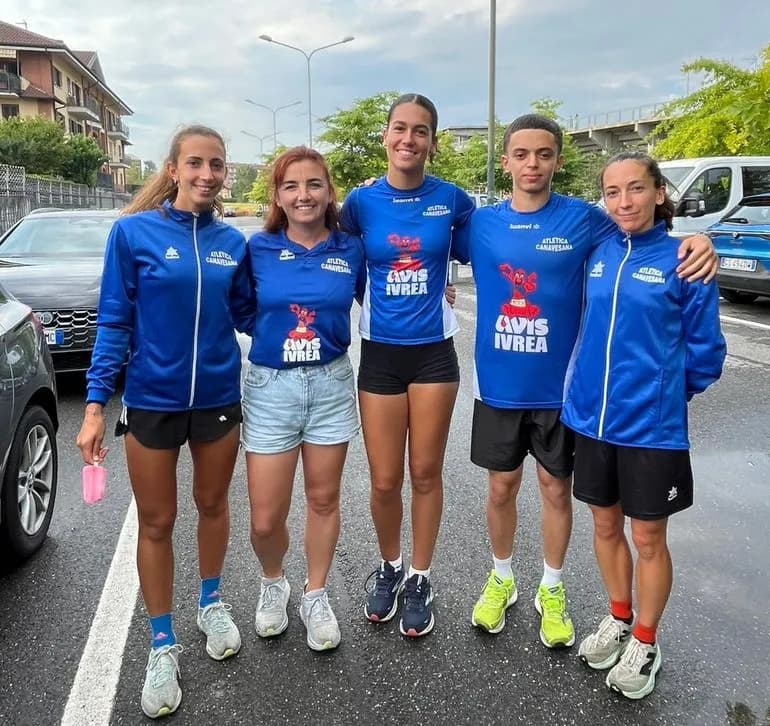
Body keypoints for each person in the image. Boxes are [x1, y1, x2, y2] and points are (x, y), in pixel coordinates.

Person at [456, 115, 718, 648]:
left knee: (556, 489)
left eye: (544, 154)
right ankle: (501, 578)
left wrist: (700, 238)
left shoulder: (585, 220)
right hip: (499, 387)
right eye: (521, 154)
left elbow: (645, 235)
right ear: (505, 161)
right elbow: (412, 245)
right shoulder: (479, 223)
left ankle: (552, 588)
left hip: (564, 394)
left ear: (557, 160)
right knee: (500, 487)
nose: (532, 164)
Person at [76, 125, 251, 719]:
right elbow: (114, 320)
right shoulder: (133, 233)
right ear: (173, 169)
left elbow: (252, 313)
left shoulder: (231, 242)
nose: (207, 174)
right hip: (152, 399)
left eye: (217, 165)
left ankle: (211, 604)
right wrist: (94, 406)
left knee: (213, 504)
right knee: (157, 521)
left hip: (218, 397)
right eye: (195, 163)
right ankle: (160, 642)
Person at [561, 151, 725, 699]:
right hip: (591, 419)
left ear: (659, 193)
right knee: (605, 526)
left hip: (652, 428)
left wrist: (668, 394)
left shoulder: (684, 258)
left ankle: (647, 641)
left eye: (635, 188)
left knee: (648, 537)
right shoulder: (598, 250)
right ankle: (618, 617)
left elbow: (706, 351)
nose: (624, 201)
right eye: (612, 192)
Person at [340, 93, 474, 637]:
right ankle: (390, 565)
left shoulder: (453, 199)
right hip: (380, 354)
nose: (409, 139)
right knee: (383, 478)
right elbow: (339, 260)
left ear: (433, 143)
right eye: (400, 128)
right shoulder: (359, 201)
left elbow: (490, 246)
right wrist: (363, 303)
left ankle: (421, 575)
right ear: (385, 136)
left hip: (434, 354)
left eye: (420, 131)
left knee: (424, 472)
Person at [241, 147, 365, 651]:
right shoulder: (258, 248)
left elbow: (377, 296)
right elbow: (241, 309)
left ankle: (316, 593)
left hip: (331, 385)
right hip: (271, 388)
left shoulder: (351, 249)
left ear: (330, 192)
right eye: (291, 186)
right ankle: (274, 581)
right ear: (277, 195)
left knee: (323, 499)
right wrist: (279, 335)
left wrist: (440, 295)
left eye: (314, 184)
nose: (303, 195)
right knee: (265, 517)